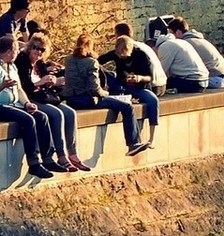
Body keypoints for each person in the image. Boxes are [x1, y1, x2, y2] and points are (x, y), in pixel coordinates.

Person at [17, 33, 87, 171]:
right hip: (30, 98)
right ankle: (61, 156)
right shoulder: (22, 62)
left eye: (42, 50)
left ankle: (72, 153)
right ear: (30, 47)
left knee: (70, 113)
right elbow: (24, 87)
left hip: (44, 96)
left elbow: (44, 84)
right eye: (36, 48)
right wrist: (41, 82)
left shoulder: (40, 64)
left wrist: (53, 82)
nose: (38, 52)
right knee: (56, 115)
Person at [65, 34, 144, 155]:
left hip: (72, 100)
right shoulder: (91, 62)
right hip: (88, 100)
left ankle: (134, 144)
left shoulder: (69, 59)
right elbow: (95, 90)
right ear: (91, 46)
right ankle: (133, 144)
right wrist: (106, 92)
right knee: (127, 107)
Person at [0, 35, 59, 178]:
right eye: (15, 50)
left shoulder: (12, 66)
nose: (17, 53)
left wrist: (27, 103)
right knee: (28, 120)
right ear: (8, 51)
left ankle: (48, 158)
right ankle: (34, 163)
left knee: (41, 116)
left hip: (14, 104)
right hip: (2, 106)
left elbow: (19, 89)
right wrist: (2, 86)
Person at [99, 34, 162, 146]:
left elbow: (149, 77)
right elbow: (98, 61)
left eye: (123, 55)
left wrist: (139, 78)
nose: (121, 57)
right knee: (108, 74)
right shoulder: (115, 54)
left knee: (153, 100)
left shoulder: (141, 56)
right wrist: (102, 81)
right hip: (120, 86)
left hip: (138, 87)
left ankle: (151, 138)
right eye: (119, 55)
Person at [167, 18, 224, 88]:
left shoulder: (186, 44)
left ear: (178, 32)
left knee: (174, 81)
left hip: (214, 79)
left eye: (171, 34)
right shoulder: (199, 40)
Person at [154, 21, 211, 93]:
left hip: (193, 83)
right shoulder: (181, 42)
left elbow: (161, 72)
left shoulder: (164, 46)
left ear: (154, 47)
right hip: (205, 82)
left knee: (159, 84)